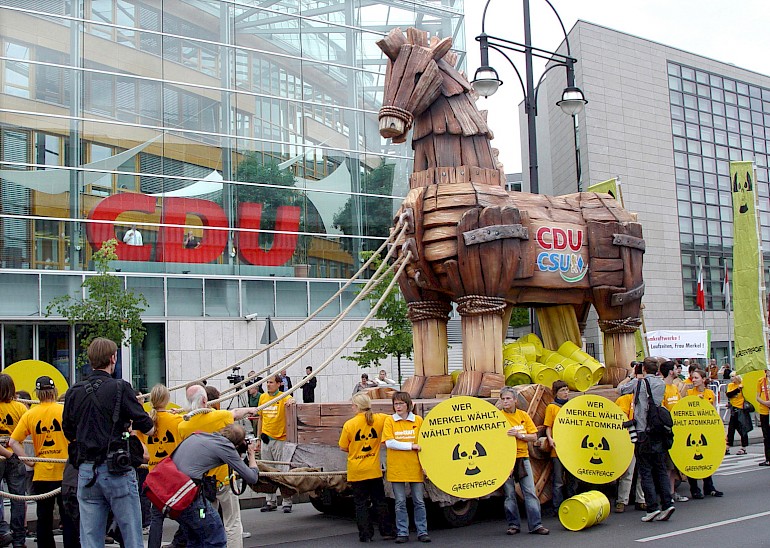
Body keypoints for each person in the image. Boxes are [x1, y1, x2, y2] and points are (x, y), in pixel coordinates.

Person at [62, 337, 155, 548]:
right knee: (131, 534)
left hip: (86, 470)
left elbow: (68, 430)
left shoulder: (74, 391)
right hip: (117, 469)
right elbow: (148, 427)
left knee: (90, 539)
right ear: (113, 358)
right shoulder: (120, 388)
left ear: (90, 359)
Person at [178, 384, 257, 548]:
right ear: (205, 399)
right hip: (225, 481)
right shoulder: (219, 417)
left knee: (205, 518)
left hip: (203, 485)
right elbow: (235, 413)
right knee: (232, 521)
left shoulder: (183, 425)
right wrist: (251, 409)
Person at [9, 376, 75, 548]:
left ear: (37, 393)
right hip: (65, 471)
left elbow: (13, 442)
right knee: (68, 516)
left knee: (43, 518)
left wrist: (29, 462)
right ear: (54, 391)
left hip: (41, 471)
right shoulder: (63, 411)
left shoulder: (30, 414)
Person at [171, 425, 259, 548]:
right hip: (195, 496)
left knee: (195, 536)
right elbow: (252, 477)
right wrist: (252, 456)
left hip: (177, 492)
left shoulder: (199, 434)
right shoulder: (226, 447)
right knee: (217, 532)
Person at [619, 357, 675, 522]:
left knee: (645, 472)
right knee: (660, 469)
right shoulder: (661, 384)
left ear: (643, 369)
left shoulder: (638, 383)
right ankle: (667, 503)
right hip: (657, 430)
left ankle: (652, 508)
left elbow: (620, 390)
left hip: (642, 431)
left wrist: (631, 376)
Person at [339, 393, 395, 543]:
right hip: (373, 468)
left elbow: (343, 447)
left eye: (352, 405)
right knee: (380, 501)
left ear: (357, 407)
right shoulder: (380, 419)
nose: (351, 407)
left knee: (361, 504)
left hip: (356, 470)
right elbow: (393, 419)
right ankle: (387, 531)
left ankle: (365, 535)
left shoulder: (349, 424)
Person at [134, 384, 184, 548]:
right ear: (167, 399)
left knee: (156, 517)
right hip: (174, 471)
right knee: (187, 510)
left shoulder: (147, 421)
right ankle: (182, 541)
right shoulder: (176, 419)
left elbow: (136, 437)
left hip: (154, 472)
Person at [499, 386, 549, 535]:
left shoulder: (523, 416)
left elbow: (534, 436)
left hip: (522, 458)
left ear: (515, 400)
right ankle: (513, 525)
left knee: (530, 492)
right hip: (505, 460)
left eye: (508, 398)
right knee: (509, 495)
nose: (505, 401)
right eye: (503, 399)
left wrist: (520, 435)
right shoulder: (497, 417)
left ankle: (536, 525)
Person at [382, 392, 430, 543]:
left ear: (408, 405)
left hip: (414, 467)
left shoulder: (418, 420)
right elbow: (389, 442)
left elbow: (425, 444)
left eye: (401, 404)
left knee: (419, 501)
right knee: (400, 502)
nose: (398, 407)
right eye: (395, 404)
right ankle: (402, 532)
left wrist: (426, 465)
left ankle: (422, 531)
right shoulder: (390, 421)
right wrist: (411, 446)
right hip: (397, 467)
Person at [256, 374, 296, 513]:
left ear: (279, 384)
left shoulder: (283, 396)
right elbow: (260, 418)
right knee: (267, 471)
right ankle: (270, 500)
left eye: (271, 382)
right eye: (267, 382)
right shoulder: (263, 397)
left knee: (281, 471)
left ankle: (286, 501)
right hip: (266, 438)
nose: (268, 385)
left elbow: (291, 399)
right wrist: (258, 438)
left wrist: (292, 401)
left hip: (280, 439)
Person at [686, 369, 724, 499]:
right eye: (692, 378)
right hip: (692, 430)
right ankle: (694, 488)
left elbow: (712, 411)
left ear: (703, 379)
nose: (694, 380)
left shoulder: (710, 393)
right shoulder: (689, 393)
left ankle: (709, 486)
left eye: (696, 378)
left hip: (705, 430)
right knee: (692, 459)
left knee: (707, 457)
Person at [0, 374, 28, 547]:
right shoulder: (20, 408)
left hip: (3, 456)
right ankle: (19, 538)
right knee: (18, 498)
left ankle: (2, 532)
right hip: (16, 457)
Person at [543, 380, 576, 512]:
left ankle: (573, 502)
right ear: (556, 393)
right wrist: (550, 439)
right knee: (558, 480)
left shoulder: (572, 405)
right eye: (562, 390)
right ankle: (558, 506)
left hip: (572, 448)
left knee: (572, 478)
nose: (565, 393)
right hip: (558, 449)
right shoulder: (552, 407)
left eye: (567, 390)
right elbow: (548, 426)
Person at [660, 361, 688, 504]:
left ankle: (671, 492)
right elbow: (662, 409)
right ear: (671, 372)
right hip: (666, 431)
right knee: (667, 465)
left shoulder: (674, 388)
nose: (678, 370)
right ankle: (666, 493)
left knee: (672, 466)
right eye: (676, 368)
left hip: (677, 430)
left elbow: (680, 405)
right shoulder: (662, 388)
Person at [726, 372, 749, 455]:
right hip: (734, 409)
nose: (731, 378)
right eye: (730, 376)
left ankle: (744, 447)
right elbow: (729, 394)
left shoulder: (743, 385)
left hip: (741, 409)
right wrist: (738, 389)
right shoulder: (730, 385)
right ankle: (727, 446)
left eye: (733, 376)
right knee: (731, 429)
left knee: (742, 429)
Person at [756, 369, 770, 467]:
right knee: (766, 436)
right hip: (764, 411)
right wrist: (765, 403)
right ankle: (768, 458)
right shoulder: (761, 381)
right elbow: (757, 397)